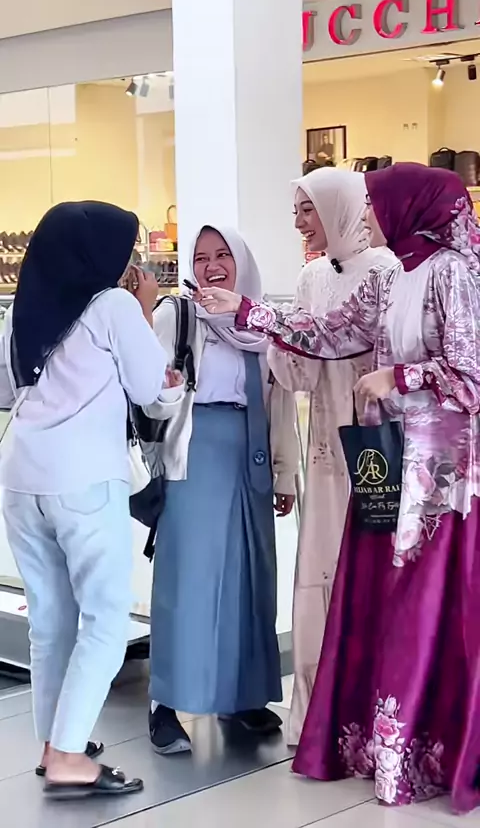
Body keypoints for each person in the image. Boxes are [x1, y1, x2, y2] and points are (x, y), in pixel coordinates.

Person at [196, 163, 480, 814]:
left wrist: (397, 378)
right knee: (381, 607)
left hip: (438, 479)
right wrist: (245, 310)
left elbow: (471, 377)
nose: (368, 216)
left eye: (377, 204)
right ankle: (386, 747)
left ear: (408, 208)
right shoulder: (396, 276)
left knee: (422, 612)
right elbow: (327, 334)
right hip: (388, 466)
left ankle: (428, 751)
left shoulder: (454, 273)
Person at [0, 201, 181, 800]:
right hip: (83, 479)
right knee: (105, 617)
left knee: (50, 618)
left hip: (21, 478)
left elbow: (6, 388)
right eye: (126, 249)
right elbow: (151, 390)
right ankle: (68, 755)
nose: (131, 261)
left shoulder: (22, 310)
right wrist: (147, 311)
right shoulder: (113, 306)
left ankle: (55, 741)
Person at [145, 224, 299, 755]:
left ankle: (244, 696)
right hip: (195, 455)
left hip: (251, 453)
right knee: (189, 578)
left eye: (223, 256)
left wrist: (284, 472)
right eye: (202, 257)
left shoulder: (260, 324)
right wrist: (163, 390)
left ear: (241, 262)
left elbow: (281, 403)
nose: (212, 266)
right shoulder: (178, 316)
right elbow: (146, 392)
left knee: (249, 578)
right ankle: (166, 705)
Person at [267, 168, 397, 745]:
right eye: (297, 210)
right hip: (324, 446)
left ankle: (377, 712)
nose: (299, 222)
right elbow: (300, 373)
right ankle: (319, 712)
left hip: (377, 442)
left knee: (376, 569)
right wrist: (281, 339)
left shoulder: (388, 271)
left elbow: (382, 352)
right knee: (320, 566)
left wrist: (284, 328)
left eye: (308, 209)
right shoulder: (311, 276)